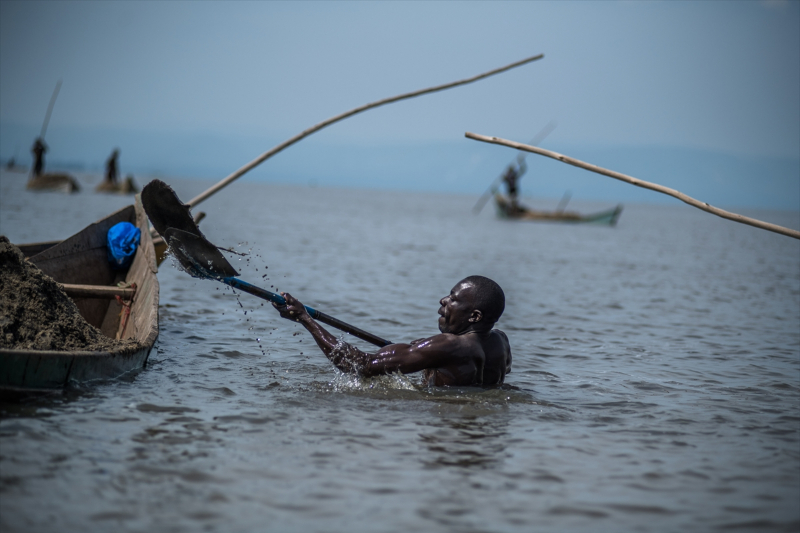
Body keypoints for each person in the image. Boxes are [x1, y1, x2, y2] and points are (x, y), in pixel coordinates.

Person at [273, 276, 512, 386]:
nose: (443, 300)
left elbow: (360, 365)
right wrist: (427, 353)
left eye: (453, 298)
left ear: (474, 316)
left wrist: (304, 318)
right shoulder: (500, 341)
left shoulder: (448, 345)